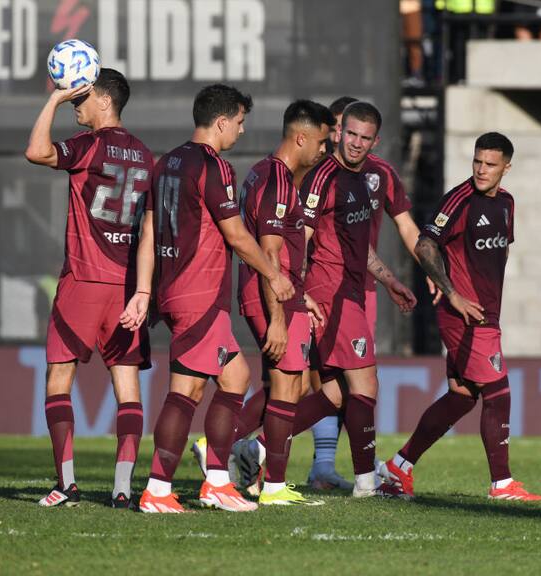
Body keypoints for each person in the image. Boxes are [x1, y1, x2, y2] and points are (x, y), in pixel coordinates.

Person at [134, 84, 294, 513]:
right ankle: (158, 489)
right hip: (199, 293)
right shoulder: (214, 166)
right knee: (183, 392)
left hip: (175, 291)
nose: (241, 132)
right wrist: (273, 275)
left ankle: (217, 481)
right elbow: (237, 236)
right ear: (221, 122)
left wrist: (146, 291)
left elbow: (148, 234)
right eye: (239, 123)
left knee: (236, 377)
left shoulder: (165, 162)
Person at [383, 132, 541, 502]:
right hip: (464, 314)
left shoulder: (506, 203)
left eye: (490, 164)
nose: (482, 170)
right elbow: (426, 244)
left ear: (507, 167)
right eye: (477, 162)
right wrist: (451, 291)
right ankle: (502, 484)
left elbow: (492, 257)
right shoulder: (459, 199)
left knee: (462, 396)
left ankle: (398, 467)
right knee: (499, 392)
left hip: (487, 313)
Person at [25, 69, 153, 510]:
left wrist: (54, 100)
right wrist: (145, 291)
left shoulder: (89, 145)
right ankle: (122, 489)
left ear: (103, 100)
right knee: (128, 387)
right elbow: (152, 228)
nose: (76, 103)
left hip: (83, 280)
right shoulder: (142, 153)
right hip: (126, 287)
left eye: (82, 96)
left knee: (59, 378)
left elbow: (36, 151)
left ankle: (66, 484)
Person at [306, 96, 426, 491]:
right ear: (338, 132)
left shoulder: (368, 177)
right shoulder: (323, 176)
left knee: (335, 392)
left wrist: (390, 280)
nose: (356, 143)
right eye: (350, 134)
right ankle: (365, 481)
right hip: (331, 292)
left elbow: (360, 247)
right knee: (362, 384)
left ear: (376, 141)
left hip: (355, 289)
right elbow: (302, 237)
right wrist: (294, 292)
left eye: (365, 138)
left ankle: (248, 446)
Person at [235, 100, 333, 505]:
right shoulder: (277, 179)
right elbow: (270, 253)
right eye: (322, 142)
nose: (325, 150)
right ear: (301, 137)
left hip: (282, 293)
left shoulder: (266, 172)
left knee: (288, 385)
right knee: (287, 386)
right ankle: (272, 483)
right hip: (271, 296)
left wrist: (302, 294)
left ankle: (260, 479)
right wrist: (278, 318)